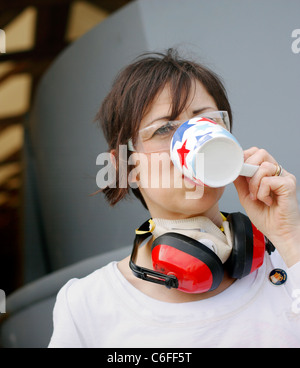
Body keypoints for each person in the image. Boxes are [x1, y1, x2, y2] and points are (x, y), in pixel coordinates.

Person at [48, 49, 300, 348]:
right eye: (165, 129)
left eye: (207, 121)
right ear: (127, 167)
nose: (195, 142)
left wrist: (289, 238)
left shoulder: (287, 259)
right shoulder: (88, 305)